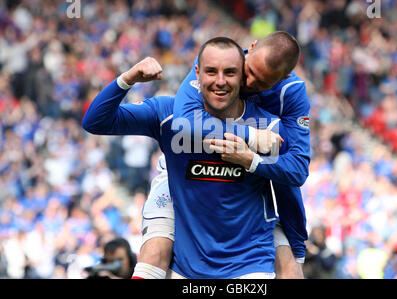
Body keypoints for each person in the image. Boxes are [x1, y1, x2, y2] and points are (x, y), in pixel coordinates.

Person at [83, 37, 295, 278]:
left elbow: (291, 183)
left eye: (230, 73)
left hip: (248, 264)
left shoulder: (269, 128)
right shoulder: (167, 114)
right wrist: (128, 78)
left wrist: (295, 251)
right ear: (197, 72)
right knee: (153, 254)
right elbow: (95, 121)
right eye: (211, 72)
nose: (220, 81)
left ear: (243, 76)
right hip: (188, 266)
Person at [133, 31, 310, 279]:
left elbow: (295, 169)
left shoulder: (290, 94)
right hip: (183, 170)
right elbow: (186, 121)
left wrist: (251, 159)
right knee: (154, 252)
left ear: (283, 77)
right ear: (252, 47)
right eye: (248, 71)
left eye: (261, 83)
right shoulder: (218, 62)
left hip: (246, 179)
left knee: (291, 270)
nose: (248, 83)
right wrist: (250, 135)